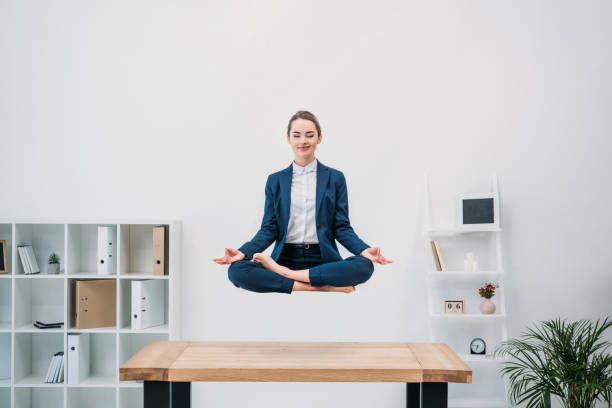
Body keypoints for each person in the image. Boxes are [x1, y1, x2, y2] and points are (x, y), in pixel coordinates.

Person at [212, 110, 392, 294]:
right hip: (285, 256)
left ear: (319, 138)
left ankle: (286, 276)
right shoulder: (275, 180)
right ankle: (320, 286)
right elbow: (269, 228)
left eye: (310, 135)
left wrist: (364, 250)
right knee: (237, 271)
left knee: (364, 266)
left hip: (323, 258)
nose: (303, 141)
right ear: (288, 139)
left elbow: (341, 227)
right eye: (296, 135)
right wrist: (243, 252)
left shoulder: (335, 178)